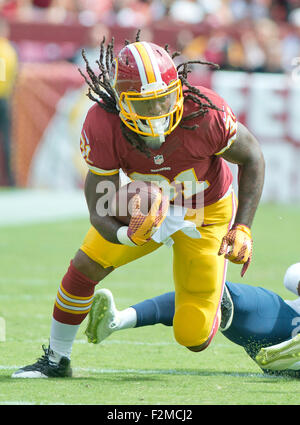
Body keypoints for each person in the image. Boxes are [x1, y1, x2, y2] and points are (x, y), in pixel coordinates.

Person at [12, 31, 265, 378]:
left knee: (193, 336)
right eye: (145, 104)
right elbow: (99, 206)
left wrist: (243, 225)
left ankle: (217, 295)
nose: (157, 112)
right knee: (85, 266)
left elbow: (252, 158)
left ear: (177, 91)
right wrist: (124, 236)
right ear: (121, 101)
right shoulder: (104, 124)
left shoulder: (205, 113)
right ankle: (56, 359)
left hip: (207, 212)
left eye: (163, 100)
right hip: (150, 209)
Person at [85, 262, 300, 379]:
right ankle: (117, 321)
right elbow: (292, 276)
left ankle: (290, 358)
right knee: (210, 295)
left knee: (212, 296)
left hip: (278, 337)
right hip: (279, 325)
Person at [0, 17, 18, 186]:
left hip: (4, 99)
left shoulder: (8, 50)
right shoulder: (10, 50)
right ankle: (11, 180)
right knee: (7, 142)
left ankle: (11, 179)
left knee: (8, 142)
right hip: (5, 99)